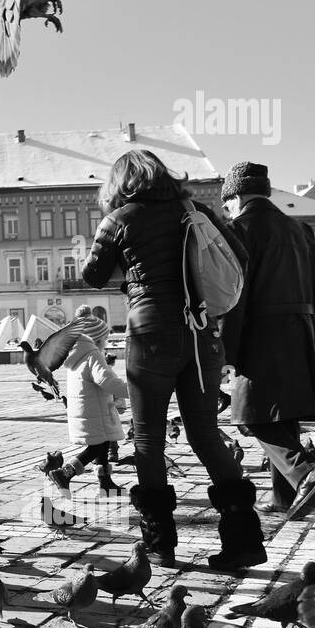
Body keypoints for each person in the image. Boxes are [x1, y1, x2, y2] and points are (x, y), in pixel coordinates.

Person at [81, 149, 262, 571]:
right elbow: (239, 257)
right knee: (205, 434)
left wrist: (128, 265)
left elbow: (92, 275)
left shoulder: (120, 219)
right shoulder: (195, 210)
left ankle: (160, 544)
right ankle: (244, 540)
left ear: (120, 183)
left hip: (150, 337)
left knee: (148, 438)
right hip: (201, 337)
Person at [219, 162, 315, 518]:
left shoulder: (238, 230)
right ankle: (283, 498)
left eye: (227, 203)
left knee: (253, 416)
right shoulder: (300, 229)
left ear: (236, 196)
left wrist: (225, 353)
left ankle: (305, 474)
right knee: (283, 412)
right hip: (302, 332)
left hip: (259, 333)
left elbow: (233, 297)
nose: (227, 209)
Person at [49, 308, 128, 491]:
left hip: (87, 410)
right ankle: (65, 473)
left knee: (102, 443)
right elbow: (106, 380)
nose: (106, 343)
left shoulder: (76, 355)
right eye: (105, 339)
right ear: (96, 339)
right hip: (95, 412)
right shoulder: (92, 354)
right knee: (96, 447)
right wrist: (131, 391)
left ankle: (105, 483)